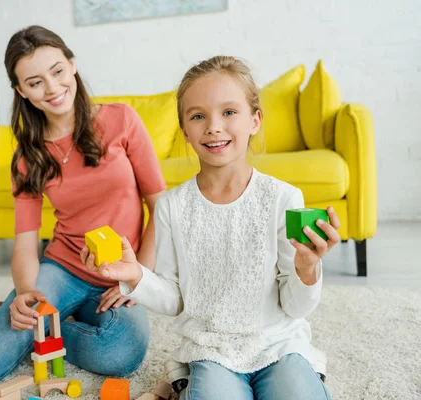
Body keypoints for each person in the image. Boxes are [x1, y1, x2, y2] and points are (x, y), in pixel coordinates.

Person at [0, 25, 166, 386]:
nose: (53, 88)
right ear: (21, 91)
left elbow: (159, 205)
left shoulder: (121, 120)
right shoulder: (28, 157)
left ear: (72, 66)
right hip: (61, 269)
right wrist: (26, 294)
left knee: (120, 354)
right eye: (35, 81)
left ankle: (50, 327)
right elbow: (26, 243)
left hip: (121, 272)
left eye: (57, 71)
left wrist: (140, 279)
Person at [88, 55, 338, 399]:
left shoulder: (283, 198)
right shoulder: (172, 207)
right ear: (185, 129)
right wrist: (135, 276)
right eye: (198, 116)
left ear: (255, 120)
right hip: (211, 349)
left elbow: (295, 307)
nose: (213, 126)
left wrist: (308, 267)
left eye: (229, 112)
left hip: (279, 344)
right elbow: (175, 300)